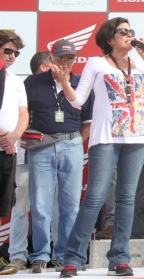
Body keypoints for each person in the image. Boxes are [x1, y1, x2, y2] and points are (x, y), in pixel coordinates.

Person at [53, 17, 144, 278]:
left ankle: (120, 258)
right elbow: (78, 101)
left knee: (127, 199)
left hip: (137, 138)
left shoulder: (141, 64)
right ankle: (73, 258)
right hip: (105, 136)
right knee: (95, 197)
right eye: (123, 31)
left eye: (131, 31)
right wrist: (65, 83)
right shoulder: (96, 63)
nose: (129, 35)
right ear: (109, 39)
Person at [25, 41, 93, 274]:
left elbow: (88, 122)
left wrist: (74, 142)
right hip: (41, 146)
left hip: (71, 145)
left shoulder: (81, 82)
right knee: (41, 205)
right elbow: (22, 114)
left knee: (70, 206)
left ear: (75, 60)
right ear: (51, 59)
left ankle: (66, 255)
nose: (65, 63)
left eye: (69, 58)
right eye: (61, 58)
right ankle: (41, 255)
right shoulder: (33, 82)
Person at [8, 52, 50, 272]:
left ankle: (54, 253)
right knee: (21, 208)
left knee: (51, 207)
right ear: (44, 67)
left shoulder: (57, 89)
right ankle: (17, 254)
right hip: (25, 156)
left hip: (50, 157)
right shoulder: (20, 86)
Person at [0, 30, 29, 276]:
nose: (12, 56)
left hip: (9, 150)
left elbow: (24, 115)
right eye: (8, 50)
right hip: (4, 144)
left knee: (1, 205)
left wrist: (14, 137)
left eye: (16, 53)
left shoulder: (16, 80)